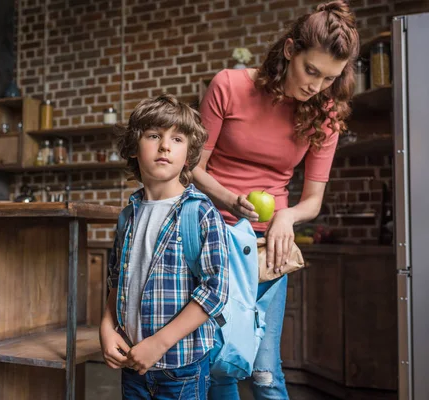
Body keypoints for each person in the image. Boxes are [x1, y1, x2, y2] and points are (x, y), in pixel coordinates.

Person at [193, 1, 360, 398]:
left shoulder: (326, 113)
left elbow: (312, 200)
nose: (316, 87)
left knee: (265, 371)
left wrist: (285, 217)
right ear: (289, 51)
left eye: (329, 78)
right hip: (212, 238)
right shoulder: (229, 86)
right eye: (311, 71)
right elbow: (193, 169)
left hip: (269, 246)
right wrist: (231, 200)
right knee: (220, 363)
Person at [99, 94, 229, 399]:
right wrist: (106, 327)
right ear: (134, 146)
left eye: (177, 138)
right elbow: (116, 279)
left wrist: (158, 344)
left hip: (180, 368)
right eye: (154, 135)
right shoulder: (128, 215)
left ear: (189, 152)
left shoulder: (200, 212)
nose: (165, 146)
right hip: (133, 364)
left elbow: (215, 291)